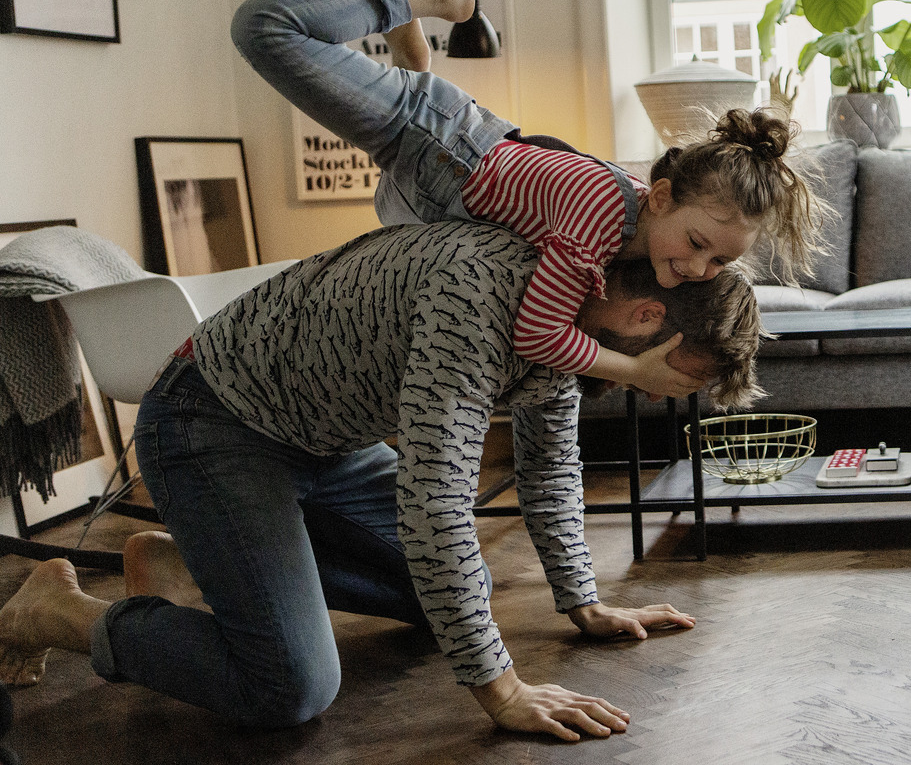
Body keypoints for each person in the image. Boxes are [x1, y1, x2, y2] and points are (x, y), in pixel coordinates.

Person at [0, 219, 766, 738]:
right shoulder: (485, 302)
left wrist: (583, 601)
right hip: (213, 425)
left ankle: (189, 557)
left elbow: (549, 465)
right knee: (291, 689)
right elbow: (439, 506)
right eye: (681, 374)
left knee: (453, 603)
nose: (669, 392)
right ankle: (57, 612)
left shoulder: (564, 329)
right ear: (641, 319)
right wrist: (500, 691)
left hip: (325, 442)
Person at [231, 0, 829, 401]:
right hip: (434, 141)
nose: (701, 268)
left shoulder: (630, 230)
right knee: (264, 27)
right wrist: (635, 374)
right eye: (698, 244)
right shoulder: (600, 222)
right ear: (664, 196)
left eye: (721, 261)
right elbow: (538, 334)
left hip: (436, 187)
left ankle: (412, 57)